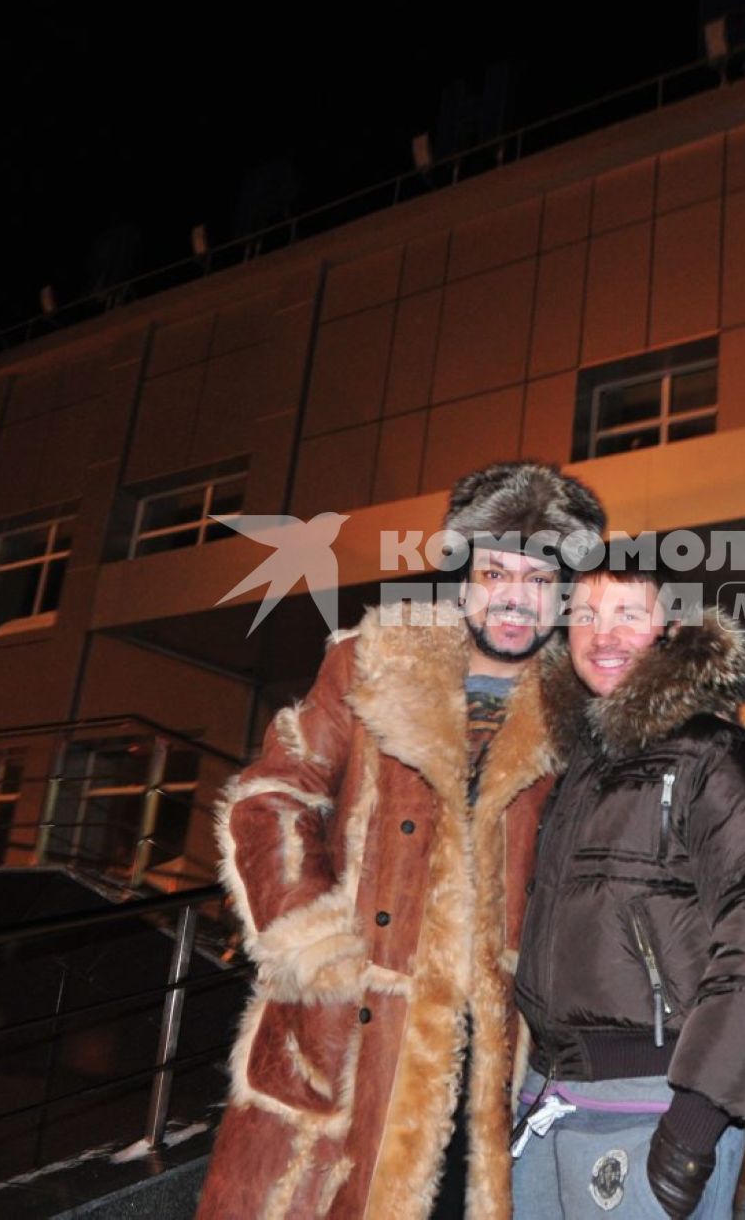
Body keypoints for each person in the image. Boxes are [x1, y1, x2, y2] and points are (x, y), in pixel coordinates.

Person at [196, 461, 605, 1220]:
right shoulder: (373, 659)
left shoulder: (577, 713)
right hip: (353, 1037)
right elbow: (272, 793)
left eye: (542, 578)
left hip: (495, 1058)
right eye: (497, 571)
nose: (518, 596)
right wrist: (320, 947)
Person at [512, 567, 745, 1218]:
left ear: (673, 629)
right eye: (585, 615)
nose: (603, 635)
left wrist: (694, 1125)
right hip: (550, 1099)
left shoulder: (721, 757)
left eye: (628, 612)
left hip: (654, 1105)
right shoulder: (575, 772)